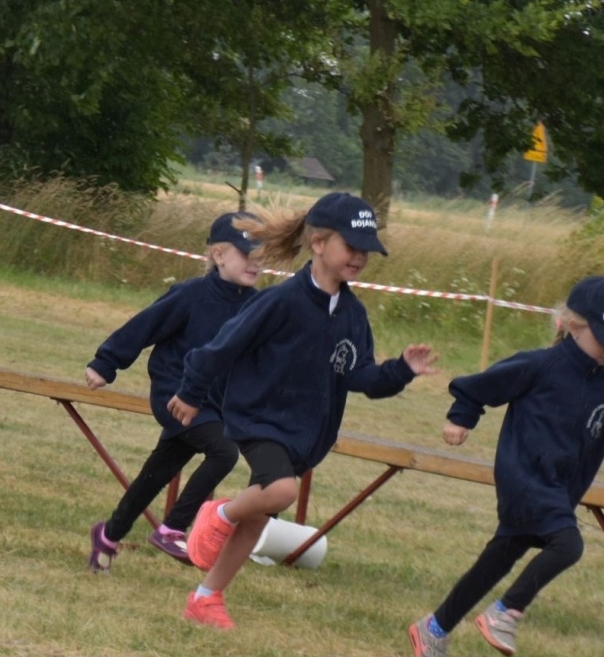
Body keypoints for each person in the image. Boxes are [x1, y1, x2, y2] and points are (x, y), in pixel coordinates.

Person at [169, 192, 441, 629]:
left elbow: (362, 378)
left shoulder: (352, 315)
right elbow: (222, 347)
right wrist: (191, 391)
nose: (359, 257)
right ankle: (215, 514)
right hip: (260, 420)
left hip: (305, 437)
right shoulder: (281, 300)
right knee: (280, 492)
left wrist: (402, 370)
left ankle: (206, 597)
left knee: (257, 521)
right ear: (318, 244)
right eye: (351, 247)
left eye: (365, 251)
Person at [408, 275, 604, 657]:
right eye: (603, 337)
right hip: (523, 478)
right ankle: (506, 612)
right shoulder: (540, 365)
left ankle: (433, 629)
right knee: (568, 544)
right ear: (573, 325)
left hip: (561, 488)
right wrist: (461, 418)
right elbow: (477, 387)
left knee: (498, 560)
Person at [84, 212, 262, 571]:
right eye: (247, 255)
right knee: (224, 451)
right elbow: (144, 325)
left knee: (157, 472)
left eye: (261, 256)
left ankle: (108, 535)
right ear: (218, 255)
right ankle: (173, 527)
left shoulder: (256, 306)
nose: (256, 264)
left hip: (214, 404)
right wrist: (106, 363)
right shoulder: (192, 294)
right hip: (176, 393)